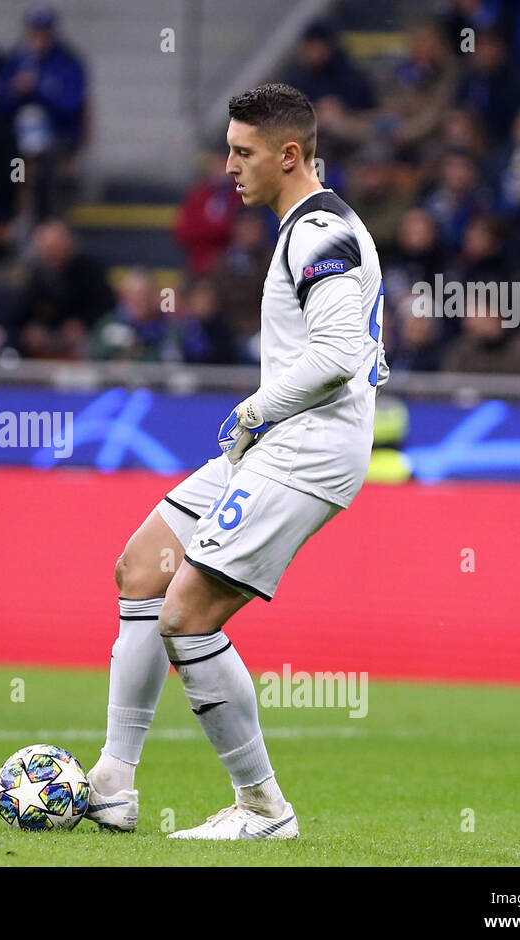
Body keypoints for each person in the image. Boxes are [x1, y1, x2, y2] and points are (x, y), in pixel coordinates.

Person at [84, 84, 387, 840]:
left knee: (186, 617)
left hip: (309, 448)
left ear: (290, 154)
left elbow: (339, 353)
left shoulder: (322, 236)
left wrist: (257, 407)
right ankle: (113, 782)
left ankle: (262, 809)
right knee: (143, 567)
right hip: (280, 440)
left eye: (242, 151)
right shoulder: (304, 228)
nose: (228, 166)